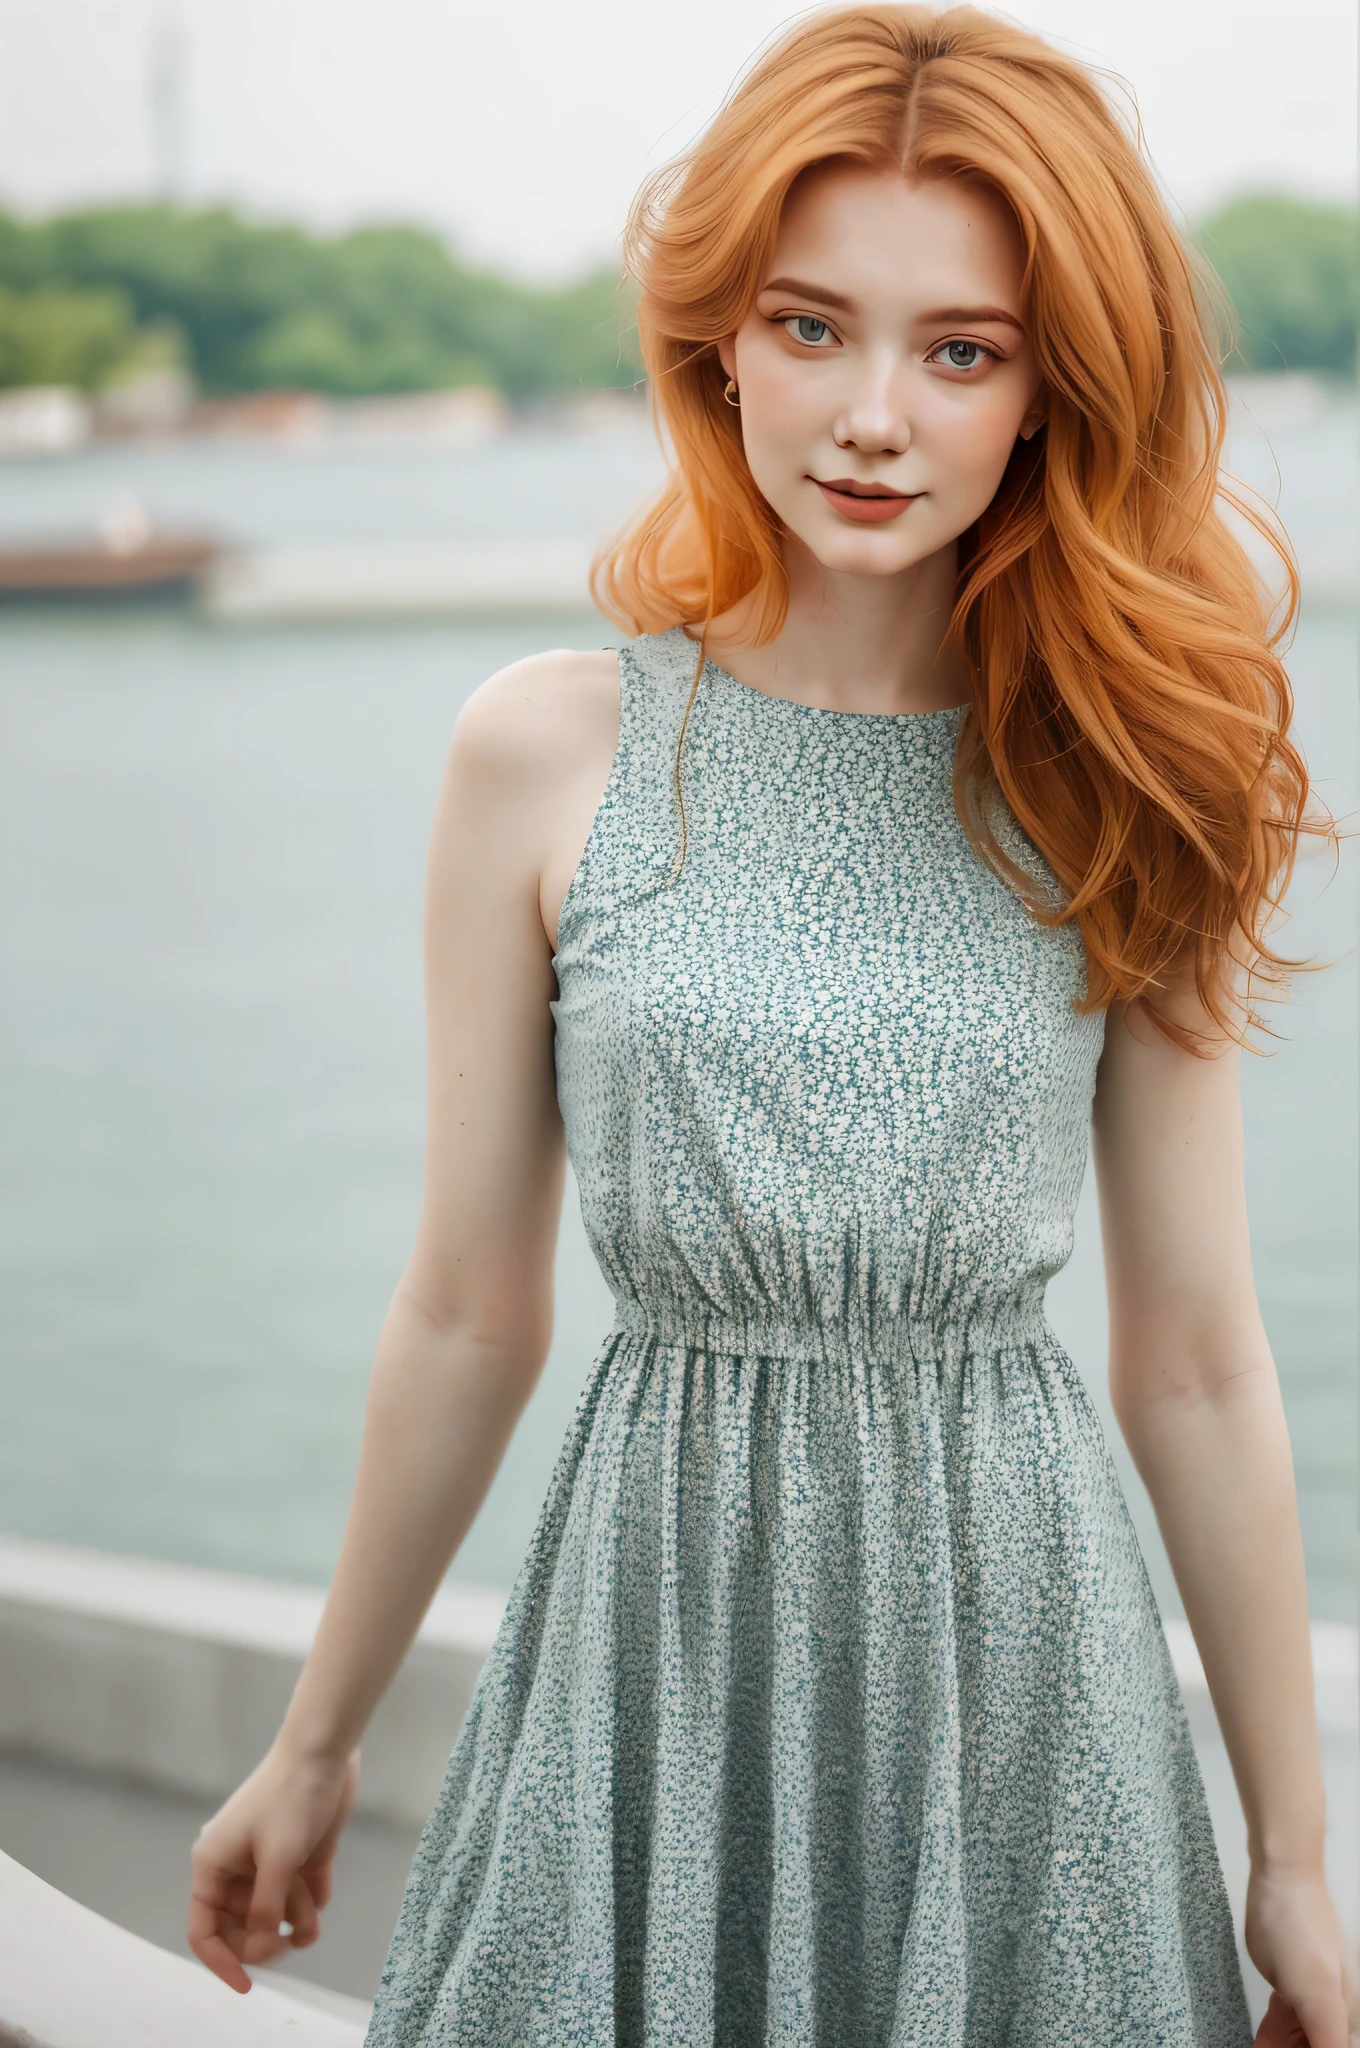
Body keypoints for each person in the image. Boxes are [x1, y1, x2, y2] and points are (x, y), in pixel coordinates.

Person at [187, 7, 1357, 2043]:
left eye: (958, 349)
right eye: (811, 328)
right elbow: (469, 1306)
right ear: (718, 338)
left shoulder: (1117, 779)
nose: (872, 416)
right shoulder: (547, 757)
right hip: (651, 1633)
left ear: (1044, 393)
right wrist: (313, 1740)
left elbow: (1189, 1358)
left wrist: (1287, 1856)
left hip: (1015, 1669)